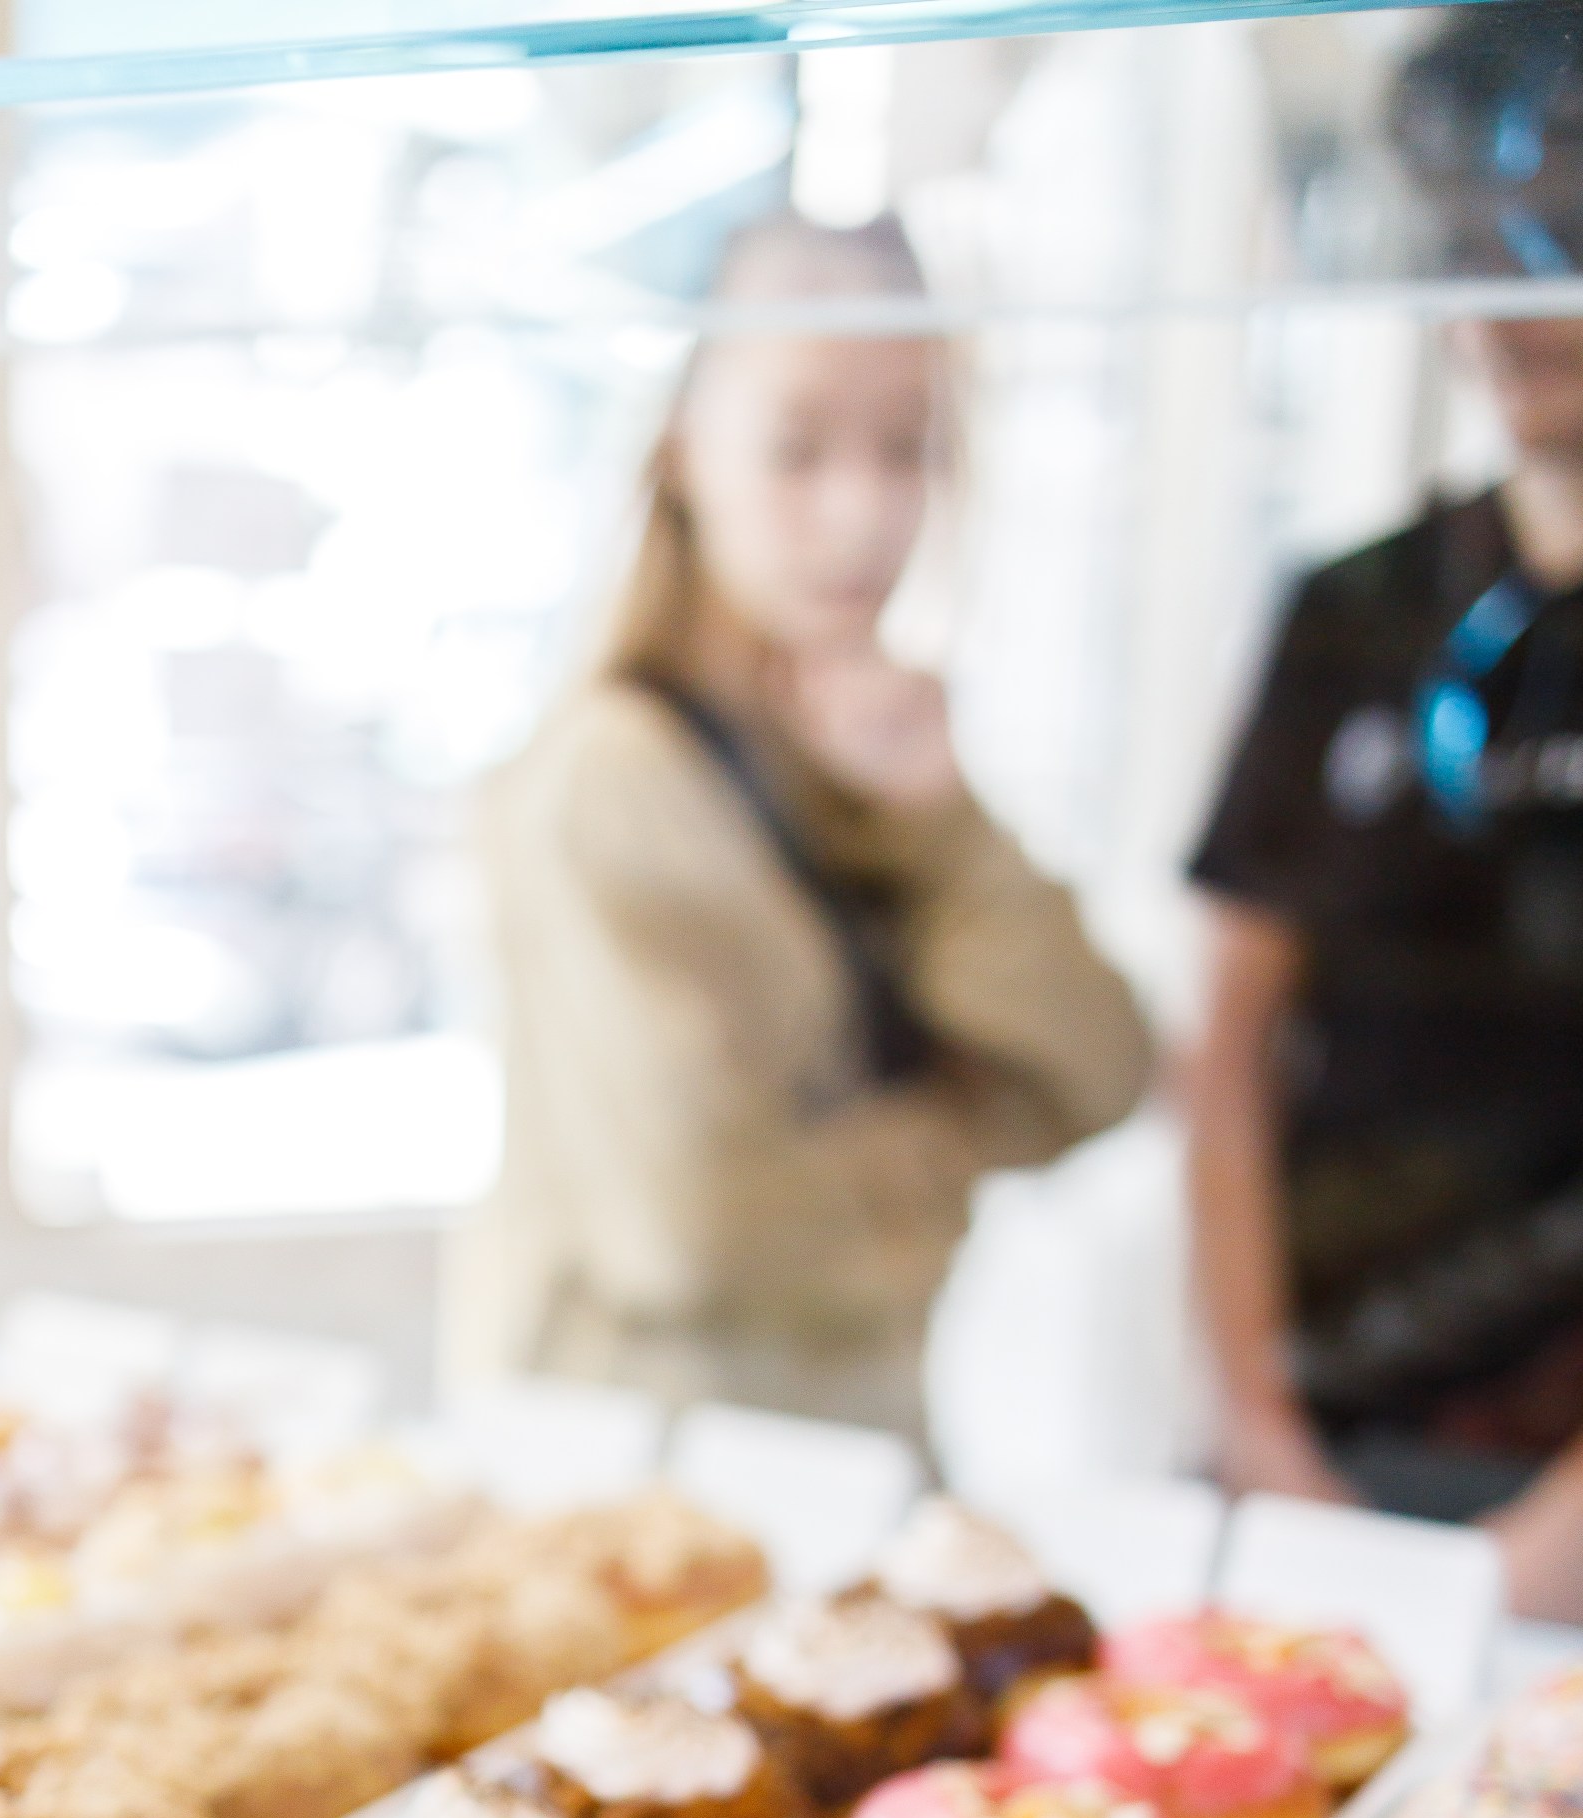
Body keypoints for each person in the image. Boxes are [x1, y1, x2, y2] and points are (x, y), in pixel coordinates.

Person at [457, 211, 1149, 1434]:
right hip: (652, 1497)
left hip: (839, 1467)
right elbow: (705, 1226)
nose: (860, 513)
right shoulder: (614, 771)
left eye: (906, 448)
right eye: (796, 448)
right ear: (683, 451)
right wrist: (953, 1148)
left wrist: (944, 825)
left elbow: (1099, 1075)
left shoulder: (857, 757)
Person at [1187, 14, 1583, 1622]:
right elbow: (1218, 1048)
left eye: (1555, 215)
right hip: (1323, 1448)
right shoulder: (1348, 612)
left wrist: (1554, 1540)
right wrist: (1256, 1430)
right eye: (1462, 227)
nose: (1502, 281)